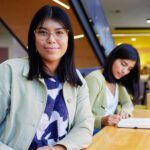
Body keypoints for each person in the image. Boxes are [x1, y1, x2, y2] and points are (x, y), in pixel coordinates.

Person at [0, 5, 94, 150]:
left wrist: (59, 148)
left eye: (59, 32)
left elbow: (84, 126)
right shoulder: (9, 71)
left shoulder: (77, 79)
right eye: (43, 32)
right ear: (34, 37)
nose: (51, 39)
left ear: (68, 37)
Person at [85, 44, 140, 131]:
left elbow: (127, 103)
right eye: (123, 64)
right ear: (113, 58)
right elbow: (81, 117)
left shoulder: (117, 81)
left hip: (108, 131)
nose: (124, 71)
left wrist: (125, 111)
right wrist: (102, 120)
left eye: (129, 69)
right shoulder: (95, 79)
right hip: (92, 133)